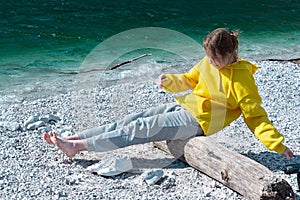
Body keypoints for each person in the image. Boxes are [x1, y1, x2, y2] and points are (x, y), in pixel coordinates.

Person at [43, 28, 294, 160]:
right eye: (209, 57)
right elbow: (189, 79)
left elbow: (256, 116)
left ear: (230, 53)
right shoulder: (209, 61)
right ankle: (72, 137)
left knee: (141, 128)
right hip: (185, 105)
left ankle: (78, 147)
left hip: (200, 121)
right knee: (131, 119)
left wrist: (277, 145)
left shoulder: (242, 78)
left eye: (215, 60)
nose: (211, 63)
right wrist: (169, 81)